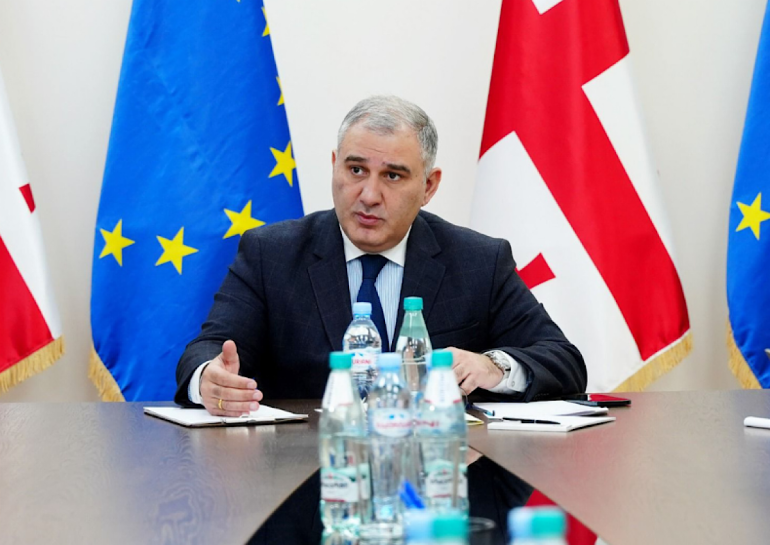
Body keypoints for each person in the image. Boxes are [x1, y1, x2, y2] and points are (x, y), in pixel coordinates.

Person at [175, 96, 586, 543]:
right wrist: (209, 378)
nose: (369, 195)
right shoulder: (271, 254)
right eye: (356, 170)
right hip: (308, 508)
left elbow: (563, 361)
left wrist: (493, 366)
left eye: (393, 176)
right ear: (334, 165)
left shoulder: (478, 261)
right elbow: (207, 350)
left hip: (438, 507)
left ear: (429, 186)